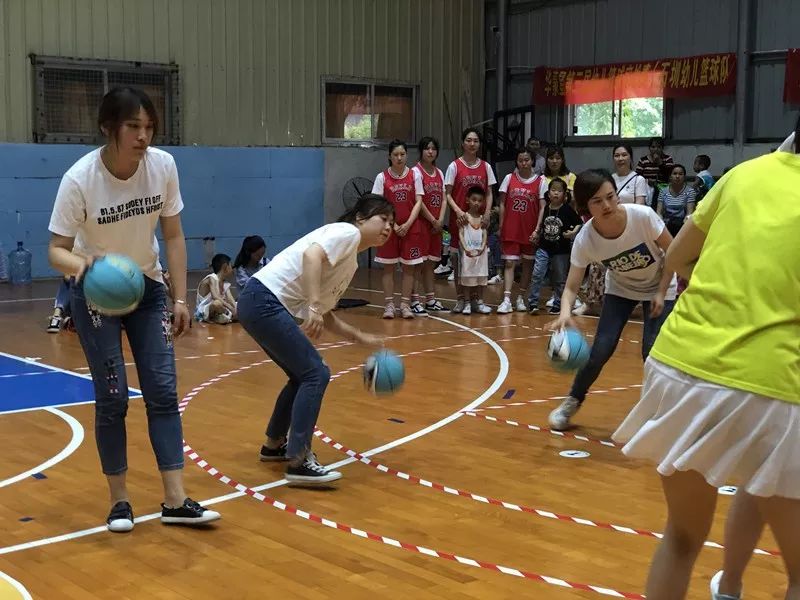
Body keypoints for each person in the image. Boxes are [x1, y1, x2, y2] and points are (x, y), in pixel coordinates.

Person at [612, 123, 800, 600]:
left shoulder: (743, 175)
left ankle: (730, 585)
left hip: (680, 365)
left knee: (680, 537)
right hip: (773, 382)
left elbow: (675, 257)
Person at [47, 86, 220, 532]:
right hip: (96, 294)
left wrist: (181, 297)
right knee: (113, 397)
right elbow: (56, 251)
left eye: (149, 127)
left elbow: (175, 236)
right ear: (109, 128)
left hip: (148, 288)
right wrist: (87, 265)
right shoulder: (80, 179)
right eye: (133, 127)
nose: (143, 137)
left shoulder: (162, 166)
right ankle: (120, 501)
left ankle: (175, 499)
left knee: (162, 393)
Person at [237, 193, 391, 485]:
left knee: (301, 376)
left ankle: (273, 446)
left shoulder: (351, 262)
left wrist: (359, 336)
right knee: (316, 373)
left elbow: (327, 313)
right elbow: (311, 256)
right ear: (360, 218)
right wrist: (311, 305)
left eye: (391, 223)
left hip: (256, 302)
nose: (388, 227)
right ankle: (298, 460)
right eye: (383, 219)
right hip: (263, 299)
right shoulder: (346, 232)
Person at [546, 169, 677, 431]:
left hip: (660, 286)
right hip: (620, 288)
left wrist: (662, 292)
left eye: (610, 197)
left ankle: (659, 414)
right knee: (600, 351)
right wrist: (564, 312)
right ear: (585, 207)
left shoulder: (642, 217)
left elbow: (673, 251)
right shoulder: (586, 239)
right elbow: (571, 285)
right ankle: (572, 401)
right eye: (597, 201)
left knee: (651, 353)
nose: (606, 205)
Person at [444, 128, 497, 314]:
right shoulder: (454, 166)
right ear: (463, 143)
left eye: (475, 141)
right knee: (460, 262)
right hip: (460, 222)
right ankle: (461, 300)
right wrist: (459, 211)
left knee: (478, 261)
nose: (472, 144)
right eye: (468, 140)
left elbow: (489, 192)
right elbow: (448, 194)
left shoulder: (486, 167)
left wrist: (488, 212)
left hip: (479, 223)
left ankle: (477, 301)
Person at [372, 140, 425, 319]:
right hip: (389, 229)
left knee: (409, 269)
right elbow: (377, 204)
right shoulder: (382, 178)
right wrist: (393, 224)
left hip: (411, 227)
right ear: (389, 156)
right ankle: (389, 305)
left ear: (406, 155)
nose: (399, 157)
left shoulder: (415, 174)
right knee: (388, 269)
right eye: (395, 154)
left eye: (402, 154)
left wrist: (408, 223)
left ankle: (405, 304)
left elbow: (419, 201)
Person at [496, 148, 544, 313]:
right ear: (516, 162)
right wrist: (501, 225)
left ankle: (521, 297)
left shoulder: (540, 181)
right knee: (509, 263)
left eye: (527, 160)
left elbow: (542, 207)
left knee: (527, 264)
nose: (524, 163)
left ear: (532, 161)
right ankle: (507, 299)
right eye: (520, 160)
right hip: (511, 228)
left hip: (529, 229)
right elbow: (502, 203)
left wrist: (537, 229)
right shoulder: (509, 178)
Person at [528, 178, 581, 314]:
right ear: (548, 193)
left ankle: (558, 303)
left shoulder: (567, 209)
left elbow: (579, 223)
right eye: (553, 190)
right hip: (544, 247)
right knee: (537, 273)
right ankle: (533, 303)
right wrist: (536, 233)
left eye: (559, 191)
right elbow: (541, 225)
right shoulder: (546, 208)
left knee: (559, 278)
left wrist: (573, 232)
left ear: (564, 194)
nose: (556, 193)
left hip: (561, 250)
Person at [410, 136, 447, 315]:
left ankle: (431, 299)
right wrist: (432, 219)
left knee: (431, 264)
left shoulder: (439, 173)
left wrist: (440, 220)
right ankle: (414, 300)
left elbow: (444, 197)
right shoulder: (415, 172)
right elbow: (419, 200)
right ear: (421, 151)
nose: (430, 151)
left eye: (433, 148)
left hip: (436, 226)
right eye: (427, 148)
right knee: (419, 264)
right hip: (422, 224)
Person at [458, 187, 490, 314]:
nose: (477, 203)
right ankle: (467, 303)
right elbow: (461, 234)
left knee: (481, 278)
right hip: (468, 254)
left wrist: (482, 246)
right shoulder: (464, 218)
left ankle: (480, 302)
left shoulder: (483, 218)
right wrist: (465, 248)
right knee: (467, 279)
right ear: (467, 200)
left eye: (480, 200)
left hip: (481, 254)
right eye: (474, 199)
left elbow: (484, 233)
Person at [195, 253, 237, 324]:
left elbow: (231, 299)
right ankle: (227, 315)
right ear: (225, 267)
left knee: (241, 305)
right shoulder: (212, 277)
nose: (232, 269)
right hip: (204, 310)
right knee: (217, 304)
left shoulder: (225, 283)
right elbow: (215, 296)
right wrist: (230, 307)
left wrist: (236, 308)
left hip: (222, 309)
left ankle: (224, 316)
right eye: (231, 266)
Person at [657, 164, 696, 237]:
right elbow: (659, 212)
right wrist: (661, 224)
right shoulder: (663, 191)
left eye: (680, 174)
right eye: (675, 174)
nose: (677, 176)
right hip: (666, 225)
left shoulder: (690, 191)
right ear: (670, 176)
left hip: (682, 224)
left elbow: (689, 213)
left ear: (684, 177)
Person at [636, 137, 674, 207]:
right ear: (649, 148)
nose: (655, 149)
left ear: (662, 148)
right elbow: (637, 177)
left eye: (658, 147)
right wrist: (647, 181)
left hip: (663, 188)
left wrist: (659, 162)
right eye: (653, 147)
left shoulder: (668, 159)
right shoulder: (643, 160)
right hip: (647, 188)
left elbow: (669, 175)